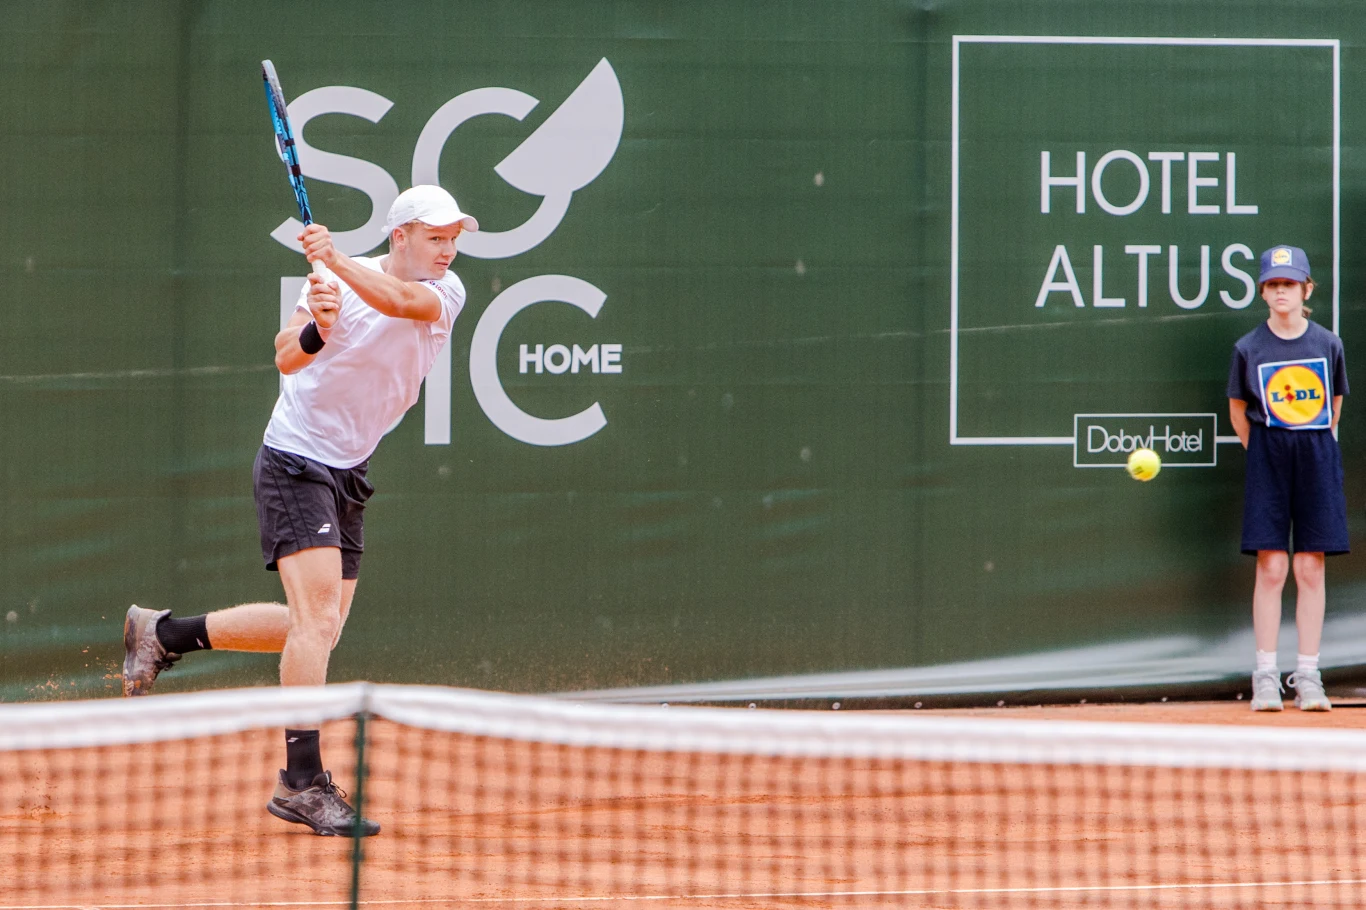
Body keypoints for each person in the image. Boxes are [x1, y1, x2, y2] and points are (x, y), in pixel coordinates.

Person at [121, 185, 477, 834]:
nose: (448, 249)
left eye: (454, 237)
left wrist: (334, 263)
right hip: (295, 461)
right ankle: (300, 782)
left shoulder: (443, 290)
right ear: (400, 236)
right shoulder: (330, 281)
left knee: (319, 627)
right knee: (314, 622)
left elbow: (400, 301)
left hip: (349, 469)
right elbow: (288, 354)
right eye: (435, 236)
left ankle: (165, 634)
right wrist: (319, 326)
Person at [1226, 244, 1347, 712]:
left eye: (1290, 284)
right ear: (1263, 291)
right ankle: (1265, 676)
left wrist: (1313, 444)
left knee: (1309, 567)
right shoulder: (1248, 348)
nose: (1281, 292)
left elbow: (1335, 404)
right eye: (1273, 284)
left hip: (1317, 453)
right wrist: (1264, 454)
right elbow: (1238, 413)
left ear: (1306, 289)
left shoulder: (1328, 344)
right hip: (1268, 456)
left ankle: (1309, 676)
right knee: (1273, 567)